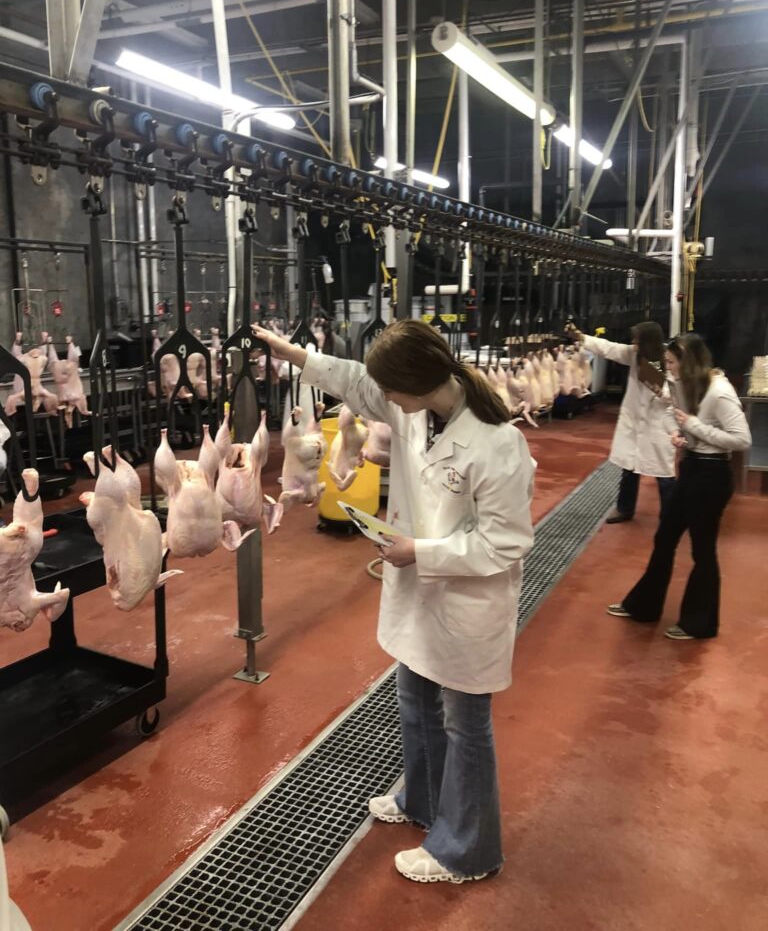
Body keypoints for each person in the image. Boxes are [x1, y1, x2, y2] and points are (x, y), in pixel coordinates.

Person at [254, 319, 535, 885]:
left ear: (417, 384)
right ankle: (423, 800)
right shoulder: (414, 407)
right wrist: (294, 355)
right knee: (414, 698)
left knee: (465, 724)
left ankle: (467, 849)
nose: (383, 401)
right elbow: (357, 381)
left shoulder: (497, 442)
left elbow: (505, 542)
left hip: (466, 600)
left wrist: (422, 552)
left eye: (392, 391)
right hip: (418, 584)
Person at [607, 333, 751, 640]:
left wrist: (694, 428)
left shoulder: (719, 391)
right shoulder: (684, 385)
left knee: (702, 548)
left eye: (671, 362)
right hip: (692, 467)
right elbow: (678, 416)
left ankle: (700, 623)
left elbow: (741, 439)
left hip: (712, 476)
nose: (667, 368)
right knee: (664, 537)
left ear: (687, 361)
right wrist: (680, 435)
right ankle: (644, 606)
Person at [566, 321, 676, 523]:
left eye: (637, 340)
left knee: (664, 474)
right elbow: (609, 348)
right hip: (634, 423)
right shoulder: (633, 355)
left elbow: (675, 394)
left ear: (648, 343)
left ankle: (671, 517)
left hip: (657, 425)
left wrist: (655, 383)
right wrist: (582, 338)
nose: (633, 343)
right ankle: (625, 509)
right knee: (629, 468)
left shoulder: (669, 361)